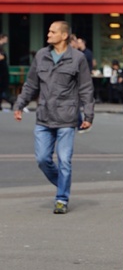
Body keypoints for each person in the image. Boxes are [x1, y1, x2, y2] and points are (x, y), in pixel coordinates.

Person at [12, 21, 94, 214]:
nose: (48, 34)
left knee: (65, 160)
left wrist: (89, 114)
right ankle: (62, 185)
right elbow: (31, 84)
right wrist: (19, 105)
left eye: (52, 31)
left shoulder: (78, 58)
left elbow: (85, 88)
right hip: (44, 116)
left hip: (67, 117)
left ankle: (61, 198)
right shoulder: (42, 55)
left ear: (64, 36)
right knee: (42, 159)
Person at [0, 33, 14, 111]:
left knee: (3, 88)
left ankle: (11, 101)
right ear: (2, 38)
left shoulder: (2, 47)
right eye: (6, 38)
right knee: (3, 88)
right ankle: (12, 101)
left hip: (3, 71)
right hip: (1, 72)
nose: (7, 40)